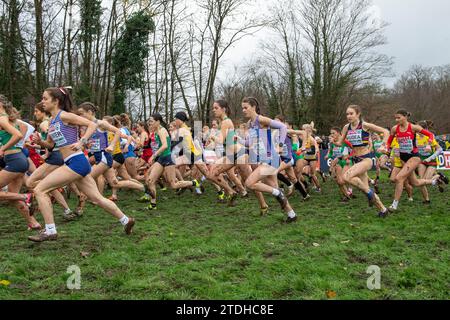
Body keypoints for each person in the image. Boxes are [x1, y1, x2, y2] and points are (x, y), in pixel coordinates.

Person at [29, 87, 135, 242]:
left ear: (56, 101)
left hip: (76, 162)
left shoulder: (65, 115)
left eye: (45, 98)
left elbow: (91, 125)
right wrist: (40, 143)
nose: (42, 101)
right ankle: (126, 220)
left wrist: (82, 141)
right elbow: (51, 146)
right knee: (97, 198)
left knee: (39, 189)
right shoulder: (52, 121)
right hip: (75, 163)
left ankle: (50, 230)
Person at [242, 97, 297, 223]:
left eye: (246, 107)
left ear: (253, 107)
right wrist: (238, 140)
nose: (243, 110)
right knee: (273, 187)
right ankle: (291, 214)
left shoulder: (260, 119)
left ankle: (278, 192)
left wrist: (280, 145)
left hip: (271, 158)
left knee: (249, 183)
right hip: (263, 159)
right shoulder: (250, 124)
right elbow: (250, 143)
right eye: (242, 108)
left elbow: (283, 127)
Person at [386, 110, 448, 211]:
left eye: (399, 118)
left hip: (413, 157)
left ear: (405, 117)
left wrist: (429, 144)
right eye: (395, 118)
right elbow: (389, 141)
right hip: (403, 158)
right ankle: (434, 181)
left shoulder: (413, 127)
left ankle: (394, 205)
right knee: (415, 183)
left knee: (399, 178)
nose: (396, 120)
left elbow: (430, 135)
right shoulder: (394, 129)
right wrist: (386, 148)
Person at [336, 104, 390, 218]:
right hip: (355, 159)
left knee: (346, 177)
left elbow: (385, 131)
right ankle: (383, 209)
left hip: (367, 159)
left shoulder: (364, 125)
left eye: (351, 113)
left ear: (358, 114)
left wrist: (384, 145)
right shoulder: (346, 127)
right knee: (365, 189)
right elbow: (340, 142)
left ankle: (370, 192)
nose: (349, 116)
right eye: (347, 114)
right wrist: (334, 138)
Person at [0, 94, 38, 230]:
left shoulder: (2, 119)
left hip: (15, 160)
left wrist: (3, 148)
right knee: (12, 197)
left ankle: (26, 195)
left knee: (16, 196)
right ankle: (33, 222)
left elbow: (18, 135)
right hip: (18, 159)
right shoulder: (12, 120)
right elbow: (24, 129)